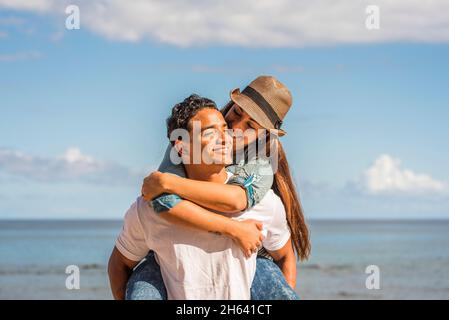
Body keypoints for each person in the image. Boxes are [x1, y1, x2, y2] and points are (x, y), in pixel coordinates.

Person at [130, 76, 310, 299]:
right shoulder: (192, 138)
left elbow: (234, 200)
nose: (235, 127)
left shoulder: (262, 166)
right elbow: (164, 202)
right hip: (172, 255)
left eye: (250, 126)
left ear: (264, 135)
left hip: (248, 255)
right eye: (236, 113)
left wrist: (167, 182)